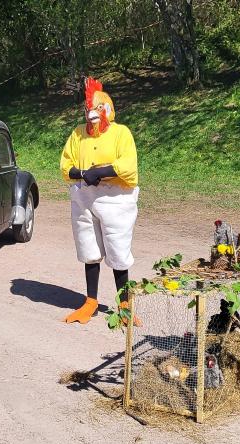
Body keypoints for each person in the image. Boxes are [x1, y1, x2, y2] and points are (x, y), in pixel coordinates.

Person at [60, 77, 140, 324]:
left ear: (106, 109)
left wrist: (102, 172)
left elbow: (128, 166)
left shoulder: (121, 133)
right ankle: (90, 301)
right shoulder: (77, 134)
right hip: (84, 195)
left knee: (117, 249)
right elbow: (65, 164)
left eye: (96, 108)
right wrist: (82, 174)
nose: (91, 113)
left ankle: (124, 304)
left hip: (114, 198)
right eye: (88, 109)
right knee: (89, 248)